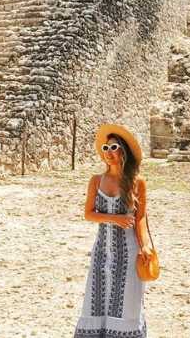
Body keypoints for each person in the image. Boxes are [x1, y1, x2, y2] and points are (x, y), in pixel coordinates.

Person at [73, 124, 153, 338]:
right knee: (96, 301)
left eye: (113, 147)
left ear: (123, 150)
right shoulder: (96, 181)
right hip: (101, 252)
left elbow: (141, 218)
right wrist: (114, 218)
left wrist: (145, 245)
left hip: (129, 253)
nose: (108, 153)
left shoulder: (138, 183)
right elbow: (88, 214)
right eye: (105, 148)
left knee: (127, 302)